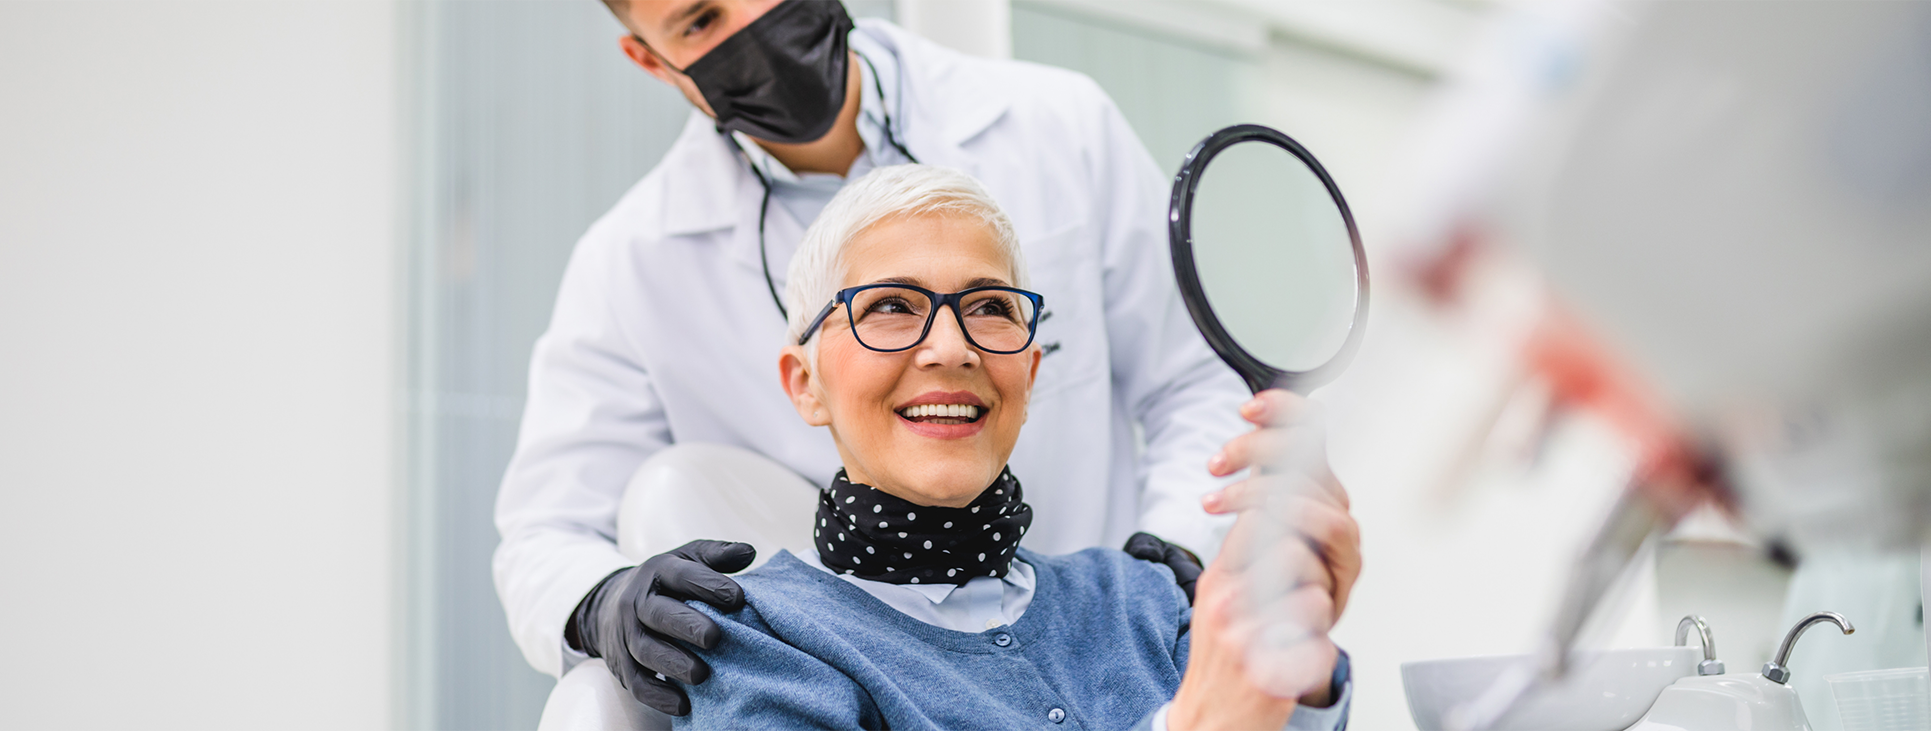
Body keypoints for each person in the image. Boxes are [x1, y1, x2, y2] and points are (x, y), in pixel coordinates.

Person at [493, 0, 1333, 716]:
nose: (948, 349)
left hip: (1119, 657)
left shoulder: (1058, 127)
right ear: (648, 56)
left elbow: (1199, 379)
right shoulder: (633, 264)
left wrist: (1172, 572)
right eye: (704, 16)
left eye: (991, 308)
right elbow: (545, 529)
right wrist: (599, 599)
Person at [661, 163, 1355, 730]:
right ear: (805, 383)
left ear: (1029, 368)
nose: (951, 348)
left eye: (990, 307)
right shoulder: (758, 642)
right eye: (891, 306)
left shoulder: (1144, 600)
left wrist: (1294, 656)